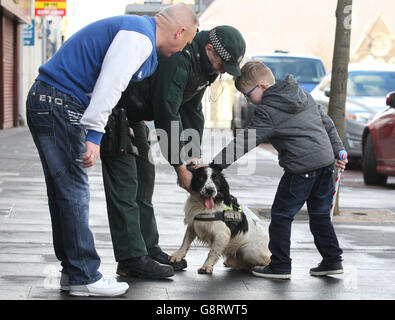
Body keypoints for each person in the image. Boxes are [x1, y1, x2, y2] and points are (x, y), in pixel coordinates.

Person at [25, 3, 199, 297]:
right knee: (74, 191)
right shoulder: (140, 37)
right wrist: (94, 133)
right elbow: (110, 83)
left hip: (48, 100)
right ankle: (84, 275)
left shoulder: (136, 32)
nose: (184, 49)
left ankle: (73, 271)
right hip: (60, 102)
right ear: (179, 32)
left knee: (63, 192)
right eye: (187, 42)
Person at [100, 26, 246, 279]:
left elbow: (191, 110)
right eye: (222, 64)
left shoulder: (204, 68)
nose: (223, 71)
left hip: (135, 119)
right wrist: (179, 167)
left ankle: (147, 248)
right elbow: (167, 113)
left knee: (144, 184)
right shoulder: (180, 61)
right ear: (209, 49)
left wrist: (192, 158)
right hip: (116, 114)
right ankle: (131, 259)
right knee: (126, 189)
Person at [208, 60, 348, 280]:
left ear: (263, 86)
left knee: (281, 216)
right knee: (320, 216)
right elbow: (327, 123)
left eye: (248, 94)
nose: (247, 100)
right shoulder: (302, 94)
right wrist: (339, 151)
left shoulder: (268, 111)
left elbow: (245, 141)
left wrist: (215, 166)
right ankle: (332, 260)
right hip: (325, 166)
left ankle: (280, 265)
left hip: (300, 171)